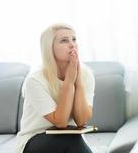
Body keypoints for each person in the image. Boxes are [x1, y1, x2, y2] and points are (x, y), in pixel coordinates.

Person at [16, 23, 95, 153]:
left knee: (73, 140)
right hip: (34, 139)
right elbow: (61, 122)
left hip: (69, 140)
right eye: (64, 41)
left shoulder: (86, 75)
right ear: (49, 48)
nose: (72, 44)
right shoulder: (35, 80)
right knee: (72, 140)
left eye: (74, 39)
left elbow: (82, 121)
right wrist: (69, 82)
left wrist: (78, 82)